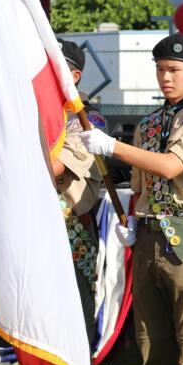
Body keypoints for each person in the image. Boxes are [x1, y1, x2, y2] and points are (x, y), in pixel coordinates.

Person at [80, 33, 183, 365]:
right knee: (151, 344)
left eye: (174, 69)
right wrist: (131, 222)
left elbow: (171, 166)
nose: (166, 77)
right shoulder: (149, 123)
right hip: (147, 236)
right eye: (160, 69)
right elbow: (140, 183)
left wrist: (111, 146)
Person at [52, 39, 105, 348]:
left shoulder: (88, 119)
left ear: (74, 76)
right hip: (33, 224)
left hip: (71, 229)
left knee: (73, 316)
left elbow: (56, 167)